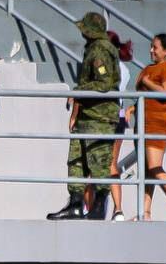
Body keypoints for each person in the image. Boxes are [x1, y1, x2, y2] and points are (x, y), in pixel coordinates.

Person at [47, 12, 120, 220]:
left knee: (98, 162)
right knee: (76, 160)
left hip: (99, 116)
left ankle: (98, 206)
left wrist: (79, 90)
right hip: (88, 115)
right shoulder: (96, 48)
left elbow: (104, 83)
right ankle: (76, 203)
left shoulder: (100, 50)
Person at [132, 34, 166, 221]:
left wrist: (147, 82)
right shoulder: (148, 68)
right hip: (142, 123)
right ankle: (144, 212)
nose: (151, 50)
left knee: (155, 167)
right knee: (147, 171)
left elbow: (165, 93)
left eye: (155, 47)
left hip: (156, 122)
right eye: (151, 46)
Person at [87, 32, 135, 221]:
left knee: (99, 164)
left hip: (105, 117)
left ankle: (108, 208)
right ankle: (116, 209)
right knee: (108, 163)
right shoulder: (123, 68)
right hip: (116, 116)